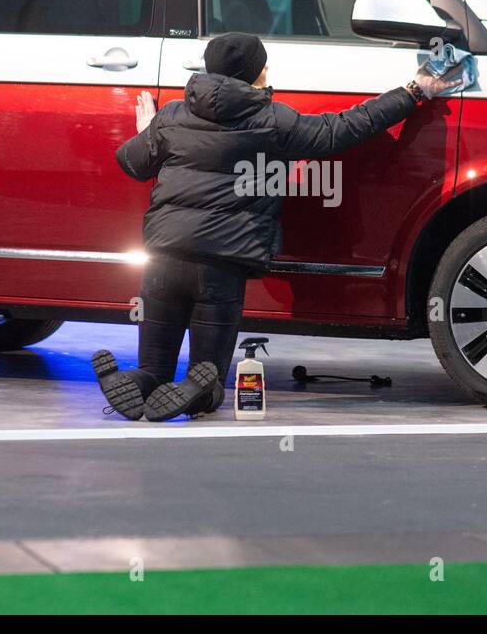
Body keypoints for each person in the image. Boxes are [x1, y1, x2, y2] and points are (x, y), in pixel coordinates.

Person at [92, 32, 463, 421]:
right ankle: (200, 393)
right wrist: (413, 91)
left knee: (154, 365)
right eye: (264, 66)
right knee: (210, 375)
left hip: (162, 259)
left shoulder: (170, 115)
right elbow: (344, 128)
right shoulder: (271, 120)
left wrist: (147, 134)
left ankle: (138, 381)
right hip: (220, 265)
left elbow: (131, 163)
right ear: (254, 74)